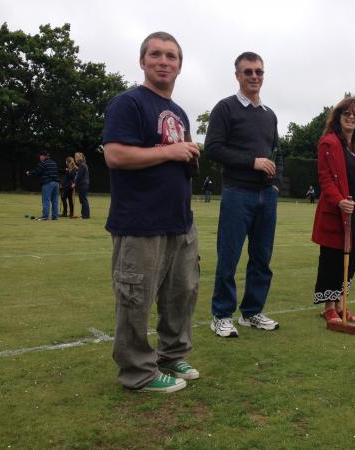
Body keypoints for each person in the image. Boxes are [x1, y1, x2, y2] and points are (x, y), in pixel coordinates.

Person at [102, 31, 201, 393]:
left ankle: (171, 355)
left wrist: (188, 154)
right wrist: (171, 152)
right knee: (135, 297)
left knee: (181, 294)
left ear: (179, 66)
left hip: (180, 222)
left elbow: (173, 163)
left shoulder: (177, 111)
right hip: (140, 222)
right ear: (142, 61)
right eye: (156, 54)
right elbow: (115, 155)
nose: (164, 61)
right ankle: (137, 373)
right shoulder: (128, 103)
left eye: (171, 56)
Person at [205, 51, 283, 338]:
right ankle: (222, 315)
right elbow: (212, 147)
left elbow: (278, 153)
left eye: (259, 71)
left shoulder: (269, 115)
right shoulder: (225, 109)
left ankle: (252, 312)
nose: (254, 76)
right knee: (230, 255)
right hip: (238, 192)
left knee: (262, 257)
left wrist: (276, 184)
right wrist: (252, 162)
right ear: (237, 75)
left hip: (267, 195)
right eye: (248, 71)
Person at [311, 97, 355, 323]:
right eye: (346, 114)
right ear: (338, 117)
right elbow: (325, 178)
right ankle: (329, 307)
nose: (351, 118)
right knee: (332, 259)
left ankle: (341, 303)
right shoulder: (328, 143)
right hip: (336, 212)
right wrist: (340, 200)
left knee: (353, 257)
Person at [26, 150, 59, 221]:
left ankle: (45, 216)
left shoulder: (43, 163)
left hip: (48, 183)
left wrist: (29, 173)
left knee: (46, 200)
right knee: (55, 201)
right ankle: (55, 216)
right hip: (56, 183)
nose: (40, 158)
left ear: (43, 156)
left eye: (40, 156)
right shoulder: (54, 163)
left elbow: (36, 171)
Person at [73, 152, 90, 219]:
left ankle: (85, 215)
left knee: (83, 200)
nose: (75, 159)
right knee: (83, 200)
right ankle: (84, 214)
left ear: (78, 158)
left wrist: (75, 183)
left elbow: (79, 176)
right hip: (84, 184)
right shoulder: (83, 165)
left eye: (75, 157)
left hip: (83, 184)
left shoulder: (82, 165)